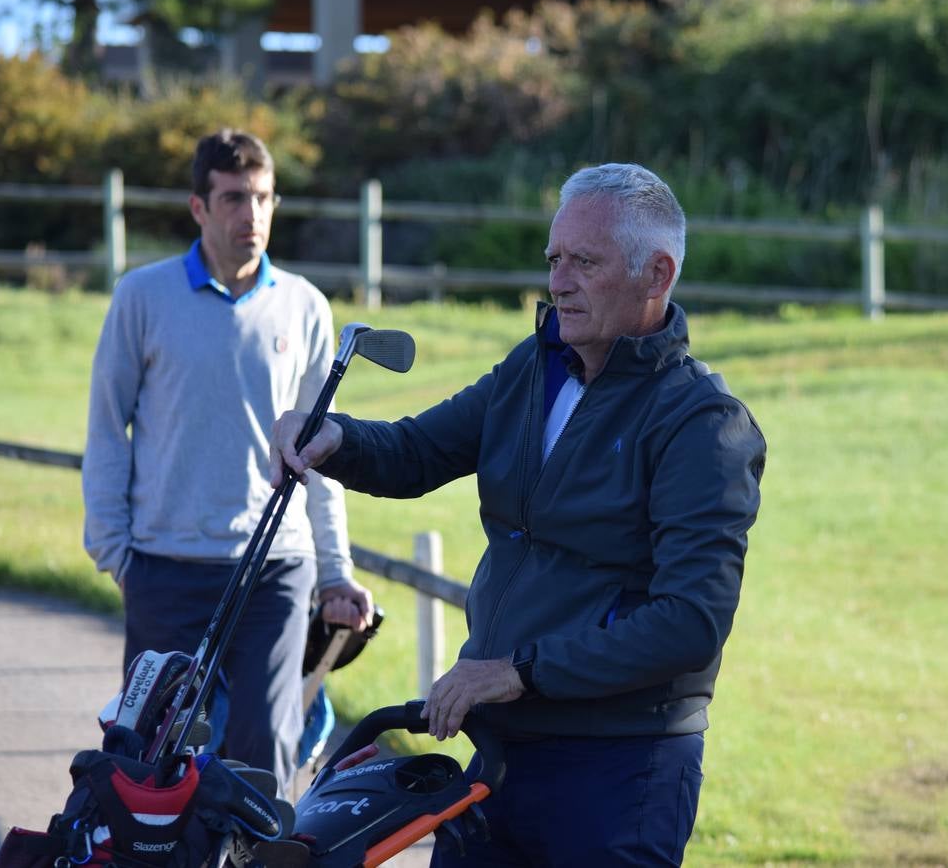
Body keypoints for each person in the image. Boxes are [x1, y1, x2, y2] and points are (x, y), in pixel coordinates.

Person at [270, 162, 766, 865]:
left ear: (657, 275)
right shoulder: (534, 369)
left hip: (619, 775)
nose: (558, 282)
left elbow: (690, 622)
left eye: (583, 262)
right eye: (554, 259)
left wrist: (519, 670)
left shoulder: (704, 425)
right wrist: (336, 440)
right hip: (500, 754)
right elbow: (415, 451)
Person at [82, 128, 374, 797]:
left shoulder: (305, 306)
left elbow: (320, 455)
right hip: (164, 566)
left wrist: (335, 572)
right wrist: (116, 553)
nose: (253, 215)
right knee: (149, 759)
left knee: (263, 754)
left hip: (275, 570)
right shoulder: (142, 297)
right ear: (199, 208)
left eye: (265, 198)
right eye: (236, 198)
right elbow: (105, 429)